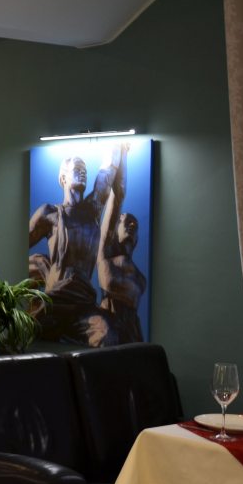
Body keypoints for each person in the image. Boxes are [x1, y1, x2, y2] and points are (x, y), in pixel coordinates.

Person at [28, 145, 125, 344]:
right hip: (55, 299)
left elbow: (108, 171)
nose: (83, 172)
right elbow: (18, 244)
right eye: (77, 169)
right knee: (28, 336)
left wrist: (120, 149)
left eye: (85, 170)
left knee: (106, 332)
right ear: (63, 178)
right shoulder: (50, 213)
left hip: (83, 301)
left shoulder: (93, 209)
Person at [96, 144, 146, 344]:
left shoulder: (140, 278)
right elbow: (118, 196)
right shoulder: (106, 253)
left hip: (132, 333)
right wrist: (122, 152)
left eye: (136, 224)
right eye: (127, 221)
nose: (132, 225)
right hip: (109, 328)